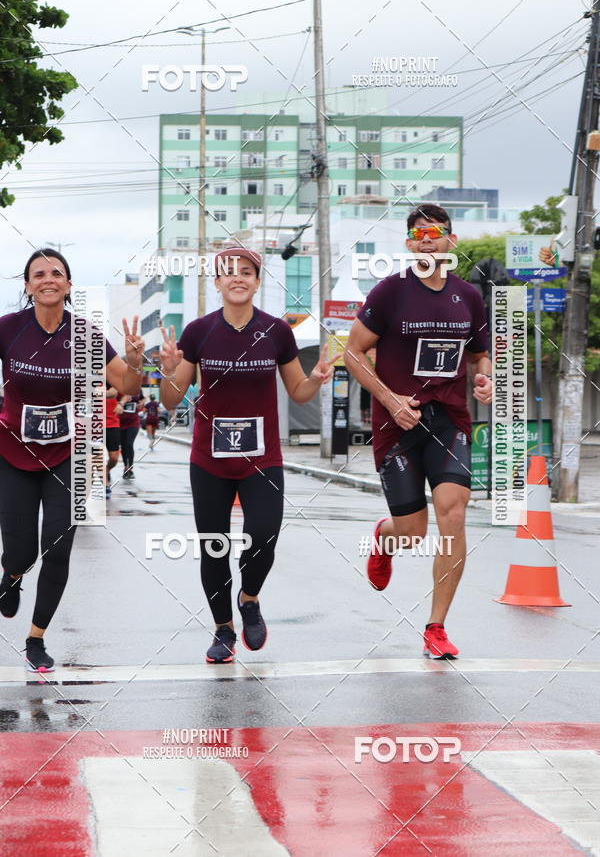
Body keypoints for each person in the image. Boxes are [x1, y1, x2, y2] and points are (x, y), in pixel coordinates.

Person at [159, 247, 333, 664]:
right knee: (214, 546)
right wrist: (168, 368)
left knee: (265, 535)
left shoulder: (276, 332)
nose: (237, 278)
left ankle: (249, 596)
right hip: (209, 458)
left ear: (257, 282)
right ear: (216, 283)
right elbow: (169, 400)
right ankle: (223, 629)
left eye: (247, 272)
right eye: (228, 272)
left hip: (262, 457)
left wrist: (316, 378)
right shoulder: (198, 332)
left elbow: (298, 391)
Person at [344, 205, 491, 659]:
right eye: (417, 233)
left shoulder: (468, 296)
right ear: (409, 244)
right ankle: (386, 538)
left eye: (435, 232)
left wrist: (483, 377)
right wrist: (389, 399)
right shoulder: (390, 292)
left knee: (454, 512)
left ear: (452, 240)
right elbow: (352, 353)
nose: (426, 240)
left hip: (448, 420)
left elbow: (477, 355)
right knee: (412, 531)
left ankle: (436, 626)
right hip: (398, 421)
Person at [0, 248, 145, 671]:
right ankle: (11, 578)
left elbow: (128, 386)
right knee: (22, 551)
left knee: (59, 547)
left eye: (57, 273)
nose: (48, 279)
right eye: (39, 274)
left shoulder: (86, 334)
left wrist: (134, 361)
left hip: (68, 456)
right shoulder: (8, 329)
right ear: (27, 286)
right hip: (13, 452)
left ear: (68, 285)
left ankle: (36, 639)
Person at [118, 390, 142, 478]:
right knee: (123, 446)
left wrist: (140, 405)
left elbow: (142, 400)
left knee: (129, 443)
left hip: (133, 422)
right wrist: (121, 402)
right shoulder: (117, 388)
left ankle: (130, 469)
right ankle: (125, 467)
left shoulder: (136, 388)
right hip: (120, 421)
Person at [105, 386, 121, 497]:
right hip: (93, 425)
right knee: (97, 457)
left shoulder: (111, 379)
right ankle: (105, 486)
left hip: (112, 424)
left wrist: (121, 403)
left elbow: (115, 392)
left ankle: (106, 470)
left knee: (114, 458)